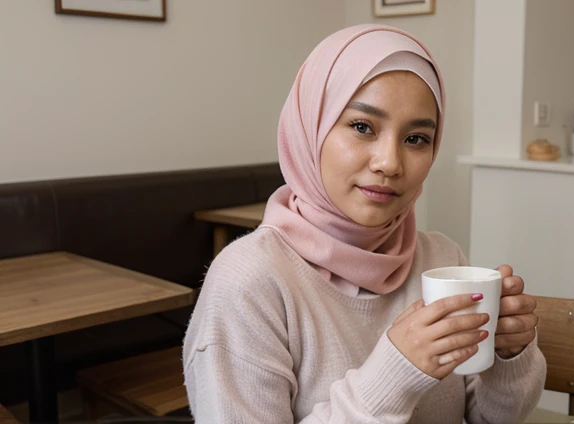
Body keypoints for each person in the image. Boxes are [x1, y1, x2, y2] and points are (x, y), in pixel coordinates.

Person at [182, 24, 546, 423]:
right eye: (361, 127)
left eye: (417, 139)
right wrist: (393, 376)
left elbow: (487, 419)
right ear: (311, 128)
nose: (389, 163)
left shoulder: (441, 258)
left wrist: (508, 357)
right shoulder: (250, 282)